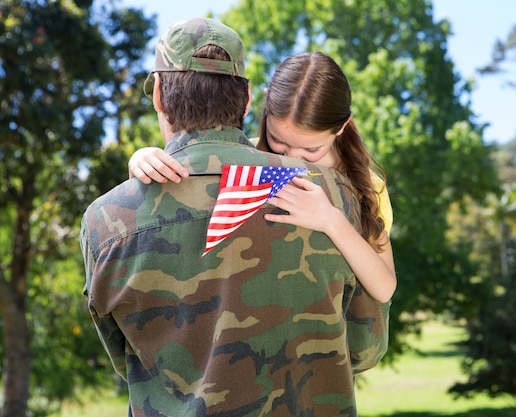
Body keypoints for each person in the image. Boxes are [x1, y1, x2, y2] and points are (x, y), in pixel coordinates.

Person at [80, 18, 389, 417]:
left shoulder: (105, 220)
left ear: (157, 94)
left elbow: (128, 362)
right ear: (246, 101)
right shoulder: (333, 195)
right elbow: (366, 349)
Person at [130, 52, 397, 303]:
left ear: (342, 126)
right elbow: (189, 189)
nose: (294, 156)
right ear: (266, 103)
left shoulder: (367, 184)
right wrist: (143, 159)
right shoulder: (243, 157)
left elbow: (384, 289)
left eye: (311, 149)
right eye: (279, 141)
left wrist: (332, 221)